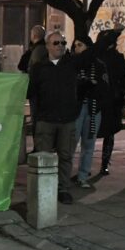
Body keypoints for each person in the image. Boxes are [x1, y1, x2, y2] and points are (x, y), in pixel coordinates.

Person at [29, 30, 79, 204]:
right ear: (48, 46)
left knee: (65, 156)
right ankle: (43, 189)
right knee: (43, 156)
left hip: (67, 119)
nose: (60, 46)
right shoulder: (39, 68)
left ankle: (63, 188)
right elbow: (30, 91)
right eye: (56, 43)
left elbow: (93, 53)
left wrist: (113, 34)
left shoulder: (71, 64)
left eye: (63, 43)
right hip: (46, 119)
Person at [71, 35, 111, 188]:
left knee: (89, 144)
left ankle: (83, 175)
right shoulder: (73, 64)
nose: (77, 48)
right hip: (78, 108)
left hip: (94, 108)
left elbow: (105, 87)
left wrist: (95, 88)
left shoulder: (99, 65)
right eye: (75, 45)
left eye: (80, 45)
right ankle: (64, 176)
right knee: (71, 143)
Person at [95, 29, 125, 175]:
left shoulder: (116, 57)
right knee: (96, 131)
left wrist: (120, 94)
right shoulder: (96, 56)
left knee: (108, 132)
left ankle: (105, 162)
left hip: (111, 100)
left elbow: (124, 78)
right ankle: (102, 163)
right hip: (99, 99)